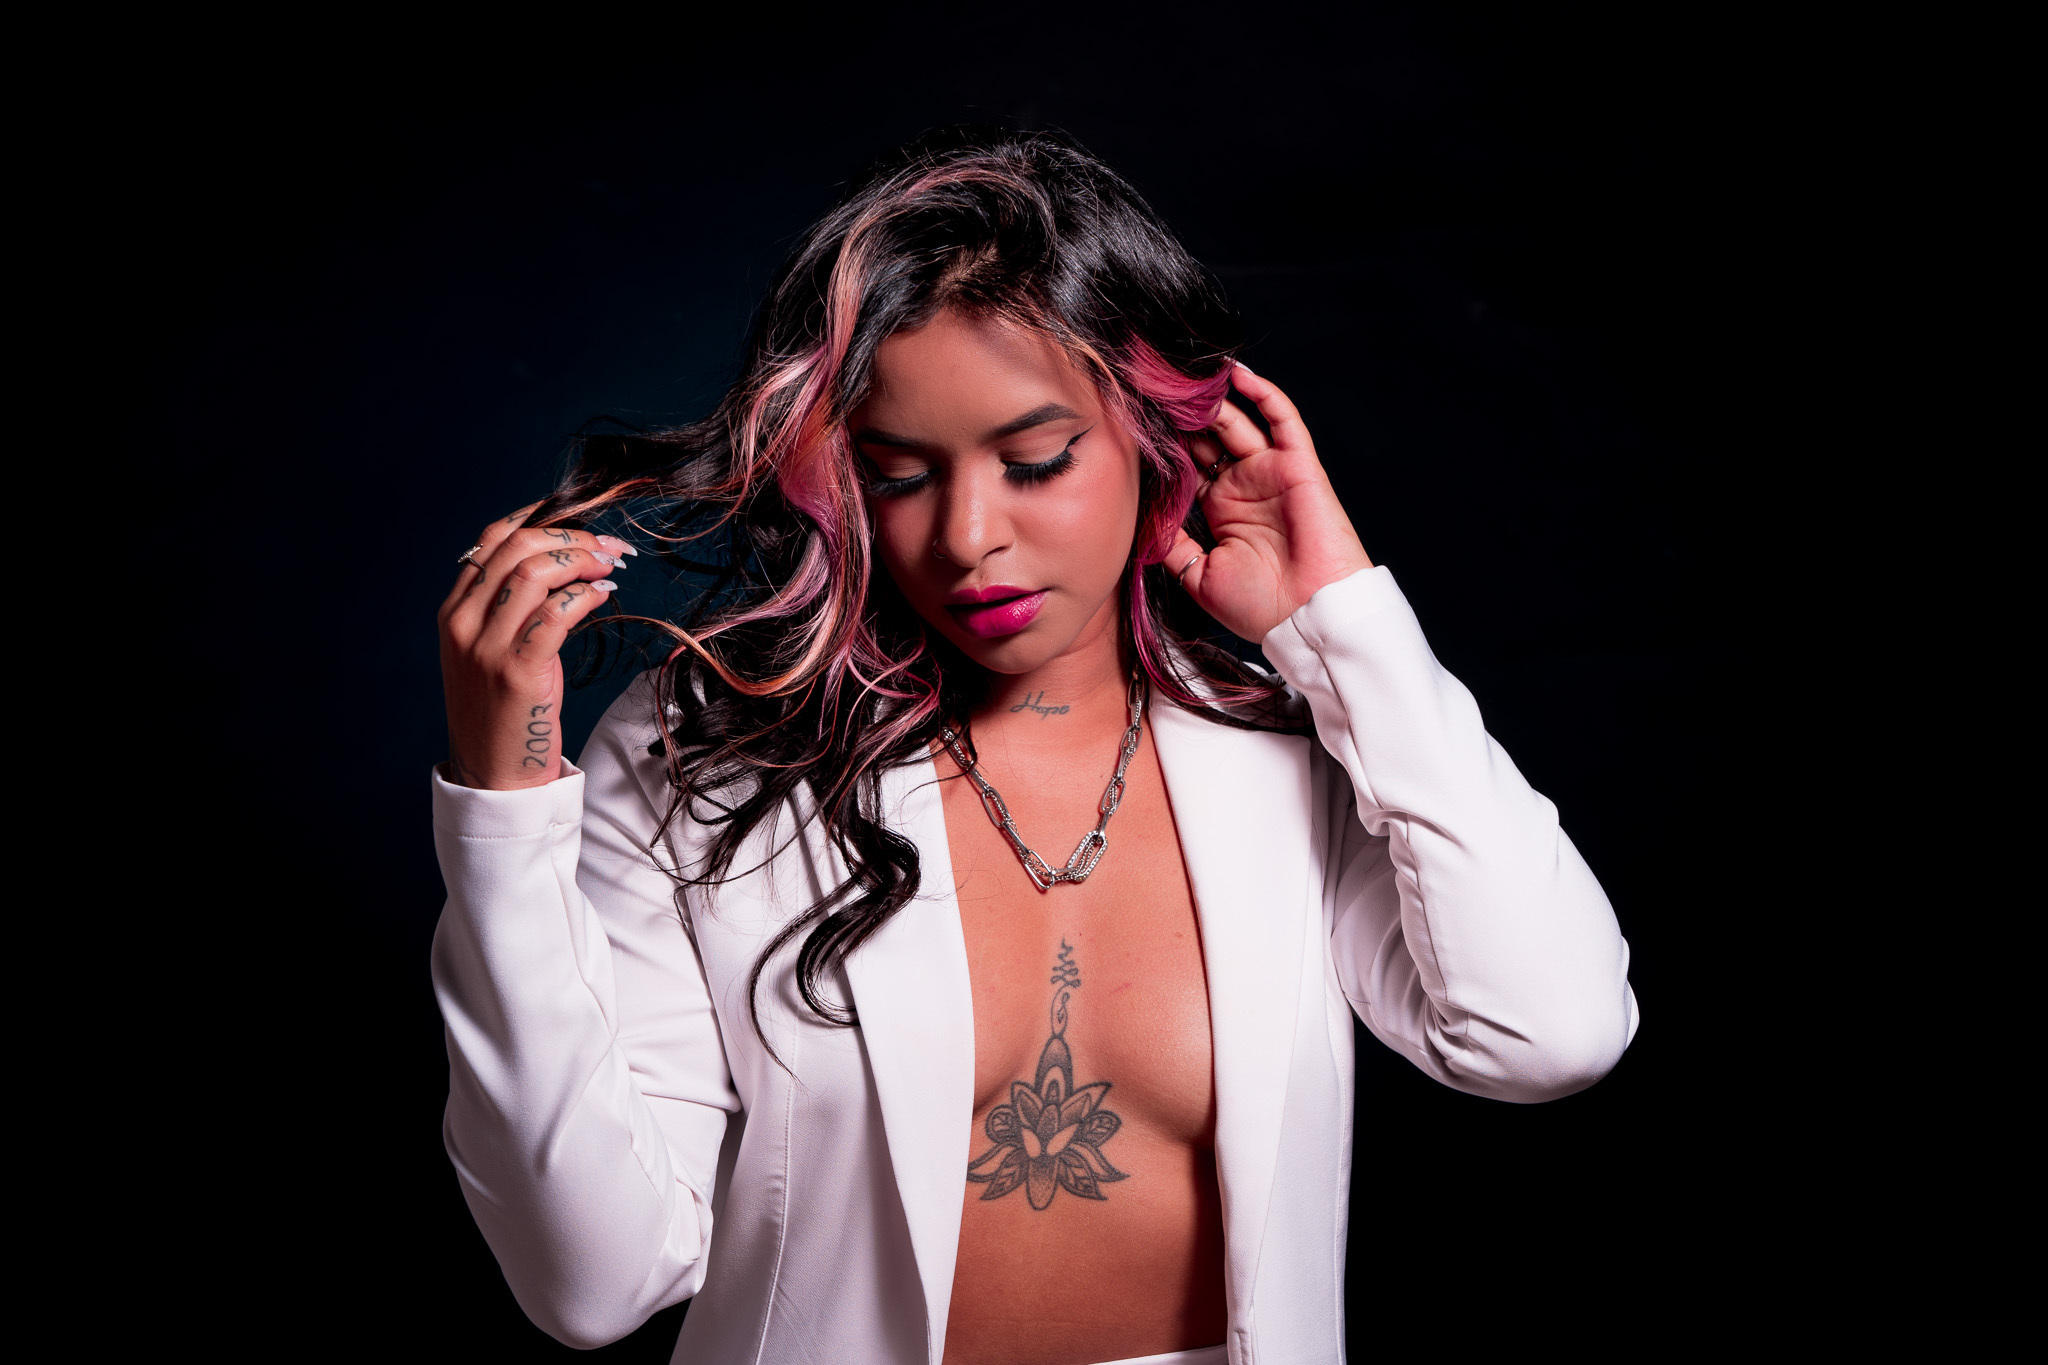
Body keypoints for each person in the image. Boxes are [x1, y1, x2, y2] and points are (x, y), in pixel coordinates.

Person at [430, 124, 1640, 1365]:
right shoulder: (709, 756)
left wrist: (1342, 628)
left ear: (1155, 439)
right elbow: (592, 1282)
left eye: (1035, 461)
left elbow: (1546, 1033)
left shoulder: (1292, 746)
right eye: (898, 474)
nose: (967, 537)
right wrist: (502, 813)